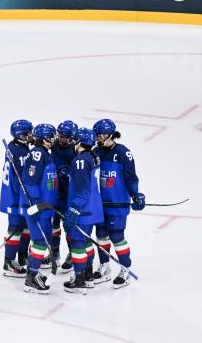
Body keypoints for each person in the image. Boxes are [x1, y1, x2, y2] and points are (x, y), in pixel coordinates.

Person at [92, 119, 146, 289]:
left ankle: (125, 269)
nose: (99, 138)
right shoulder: (95, 152)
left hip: (117, 204)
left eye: (102, 134)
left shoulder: (123, 153)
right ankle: (104, 267)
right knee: (101, 236)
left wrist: (136, 194)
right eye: (97, 135)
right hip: (100, 204)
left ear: (111, 134)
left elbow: (131, 177)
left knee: (117, 236)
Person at [62, 127, 104, 295]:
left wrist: (73, 209)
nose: (72, 142)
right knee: (86, 242)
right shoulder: (93, 157)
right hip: (93, 210)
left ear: (80, 142)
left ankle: (79, 279)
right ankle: (88, 275)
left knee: (77, 243)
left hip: (83, 210)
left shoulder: (79, 160)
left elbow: (84, 191)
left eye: (75, 140)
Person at [20, 123, 58, 294]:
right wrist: (34, 205)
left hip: (44, 207)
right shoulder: (36, 155)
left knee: (41, 240)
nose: (54, 139)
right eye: (52, 136)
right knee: (40, 242)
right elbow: (30, 182)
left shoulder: (44, 153)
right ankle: (31, 278)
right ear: (44, 139)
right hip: (37, 207)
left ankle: (32, 273)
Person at [0, 119, 33, 278]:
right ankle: (9, 261)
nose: (31, 135)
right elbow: (21, 178)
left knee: (25, 227)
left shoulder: (18, 148)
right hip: (15, 197)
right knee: (15, 227)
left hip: (16, 195)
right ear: (21, 135)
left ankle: (22, 255)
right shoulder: (20, 152)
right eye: (29, 132)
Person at [49, 120, 78, 272]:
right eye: (59, 135)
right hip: (54, 193)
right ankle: (54, 253)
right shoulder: (54, 145)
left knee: (69, 226)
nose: (61, 138)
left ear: (72, 137)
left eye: (64, 136)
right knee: (53, 225)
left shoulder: (76, 150)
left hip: (69, 195)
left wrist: (68, 174)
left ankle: (73, 254)